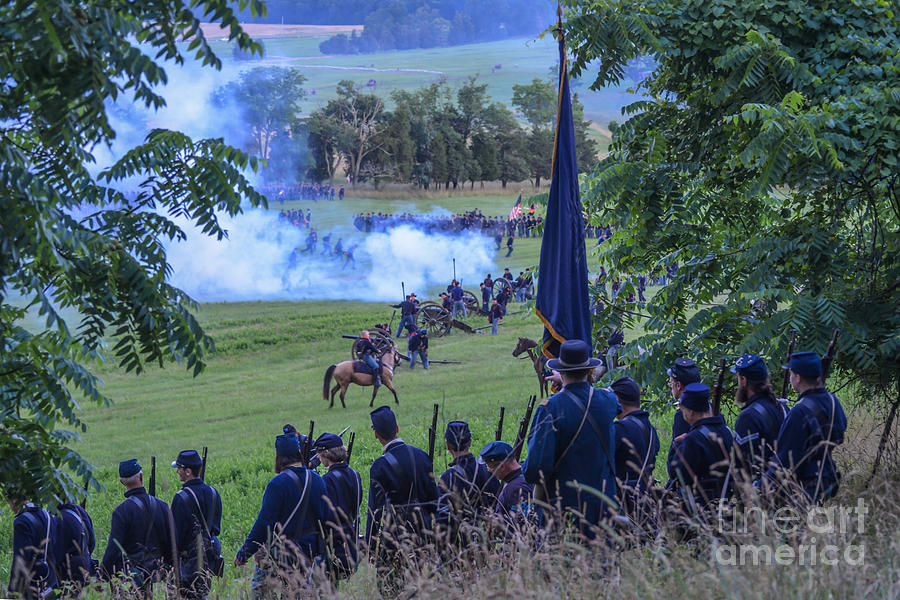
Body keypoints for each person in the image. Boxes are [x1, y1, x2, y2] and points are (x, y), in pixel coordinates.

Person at [523, 340, 619, 539]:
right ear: (590, 370)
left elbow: (535, 468)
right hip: (604, 506)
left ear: (561, 371)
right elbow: (599, 397)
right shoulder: (608, 400)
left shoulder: (550, 408)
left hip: (564, 509)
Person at [234, 435, 333, 598]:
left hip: (280, 553)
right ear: (299, 452)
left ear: (278, 457)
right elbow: (324, 519)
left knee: (260, 592)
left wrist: (245, 552)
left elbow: (264, 524)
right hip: (308, 554)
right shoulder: (317, 480)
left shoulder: (277, 484)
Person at [762, 352, 847, 503]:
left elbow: (785, 460)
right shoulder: (833, 401)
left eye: (791, 374)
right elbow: (839, 434)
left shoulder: (799, 412)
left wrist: (760, 486)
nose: (790, 378)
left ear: (798, 377)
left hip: (803, 484)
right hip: (826, 476)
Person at [366, 406, 439, 555]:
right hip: (424, 532)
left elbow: (375, 511)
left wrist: (371, 544)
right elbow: (434, 500)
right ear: (397, 428)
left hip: (395, 537)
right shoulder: (422, 456)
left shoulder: (379, 466)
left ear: (376, 434)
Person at [100, 459, 175, 597]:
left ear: (122, 482)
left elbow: (113, 548)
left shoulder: (121, 511)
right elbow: (171, 542)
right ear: (141, 477)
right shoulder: (163, 506)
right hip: (157, 569)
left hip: (131, 576)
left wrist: (102, 575)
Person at [666, 383, 734, 511]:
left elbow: (677, 474)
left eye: (683, 409)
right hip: (726, 503)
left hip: (701, 508)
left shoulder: (693, 439)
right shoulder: (726, 431)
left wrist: (677, 446)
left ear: (691, 411)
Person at [170, 450, 223, 600]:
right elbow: (216, 528)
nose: (177, 472)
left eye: (179, 468)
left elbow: (176, 536)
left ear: (188, 471)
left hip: (189, 561)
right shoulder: (214, 493)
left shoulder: (181, 498)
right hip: (210, 555)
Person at [313, 433, 362, 582]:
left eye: (319, 454)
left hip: (332, 545)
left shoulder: (326, 480)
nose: (318, 458)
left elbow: (324, 515)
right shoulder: (355, 474)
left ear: (326, 452)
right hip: (351, 542)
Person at [610, 377, 660, 524]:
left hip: (623, 502)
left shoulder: (620, 429)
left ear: (617, 399)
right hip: (645, 501)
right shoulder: (651, 430)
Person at [730, 354, 787, 481]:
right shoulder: (781, 407)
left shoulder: (748, 417)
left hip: (760, 491)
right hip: (785, 488)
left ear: (744, 380)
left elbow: (741, 464)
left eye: (738, 378)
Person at [437, 422, 500, 525]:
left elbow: (442, 518)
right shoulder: (487, 470)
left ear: (447, 445)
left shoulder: (448, 477)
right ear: (470, 442)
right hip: (488, 535)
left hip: (461, 537)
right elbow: (497, 504)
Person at [7, 488, 59, 599]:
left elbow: (20, 560)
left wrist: (12, 590)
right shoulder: (47, 516)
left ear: (14, 500)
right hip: (51, 582)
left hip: (32, 585)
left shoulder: (21, 522)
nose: (11, 508)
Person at [479, 441, 533, 524]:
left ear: (502, 466)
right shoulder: (522, 473)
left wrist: (496, 520)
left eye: (489, 466)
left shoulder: (517, 489)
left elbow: (521, 525)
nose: (489, 470)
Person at [666, 358, 702, 477]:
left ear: (678, 386)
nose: (670, 386)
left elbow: (677, 462)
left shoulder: (682, 414)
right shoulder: (708, 407)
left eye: (671, 383)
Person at [55, 497, 96, 593]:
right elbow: (91, 543)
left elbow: (57, 556)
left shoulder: (59, 519)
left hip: (69, 573)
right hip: (86, 564)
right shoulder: (79, 511)